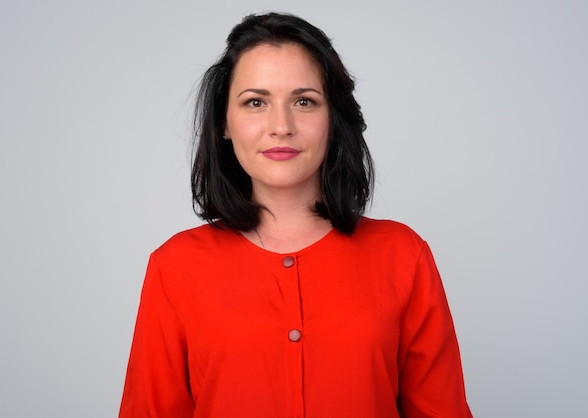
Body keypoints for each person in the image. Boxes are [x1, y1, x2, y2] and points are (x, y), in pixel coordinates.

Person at [119, 12, 472, 418]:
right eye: (256, 102)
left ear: (333, 119)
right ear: (224, 123)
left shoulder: (404, 256)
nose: (281, 126)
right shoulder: (175, 268)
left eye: (304, 101)